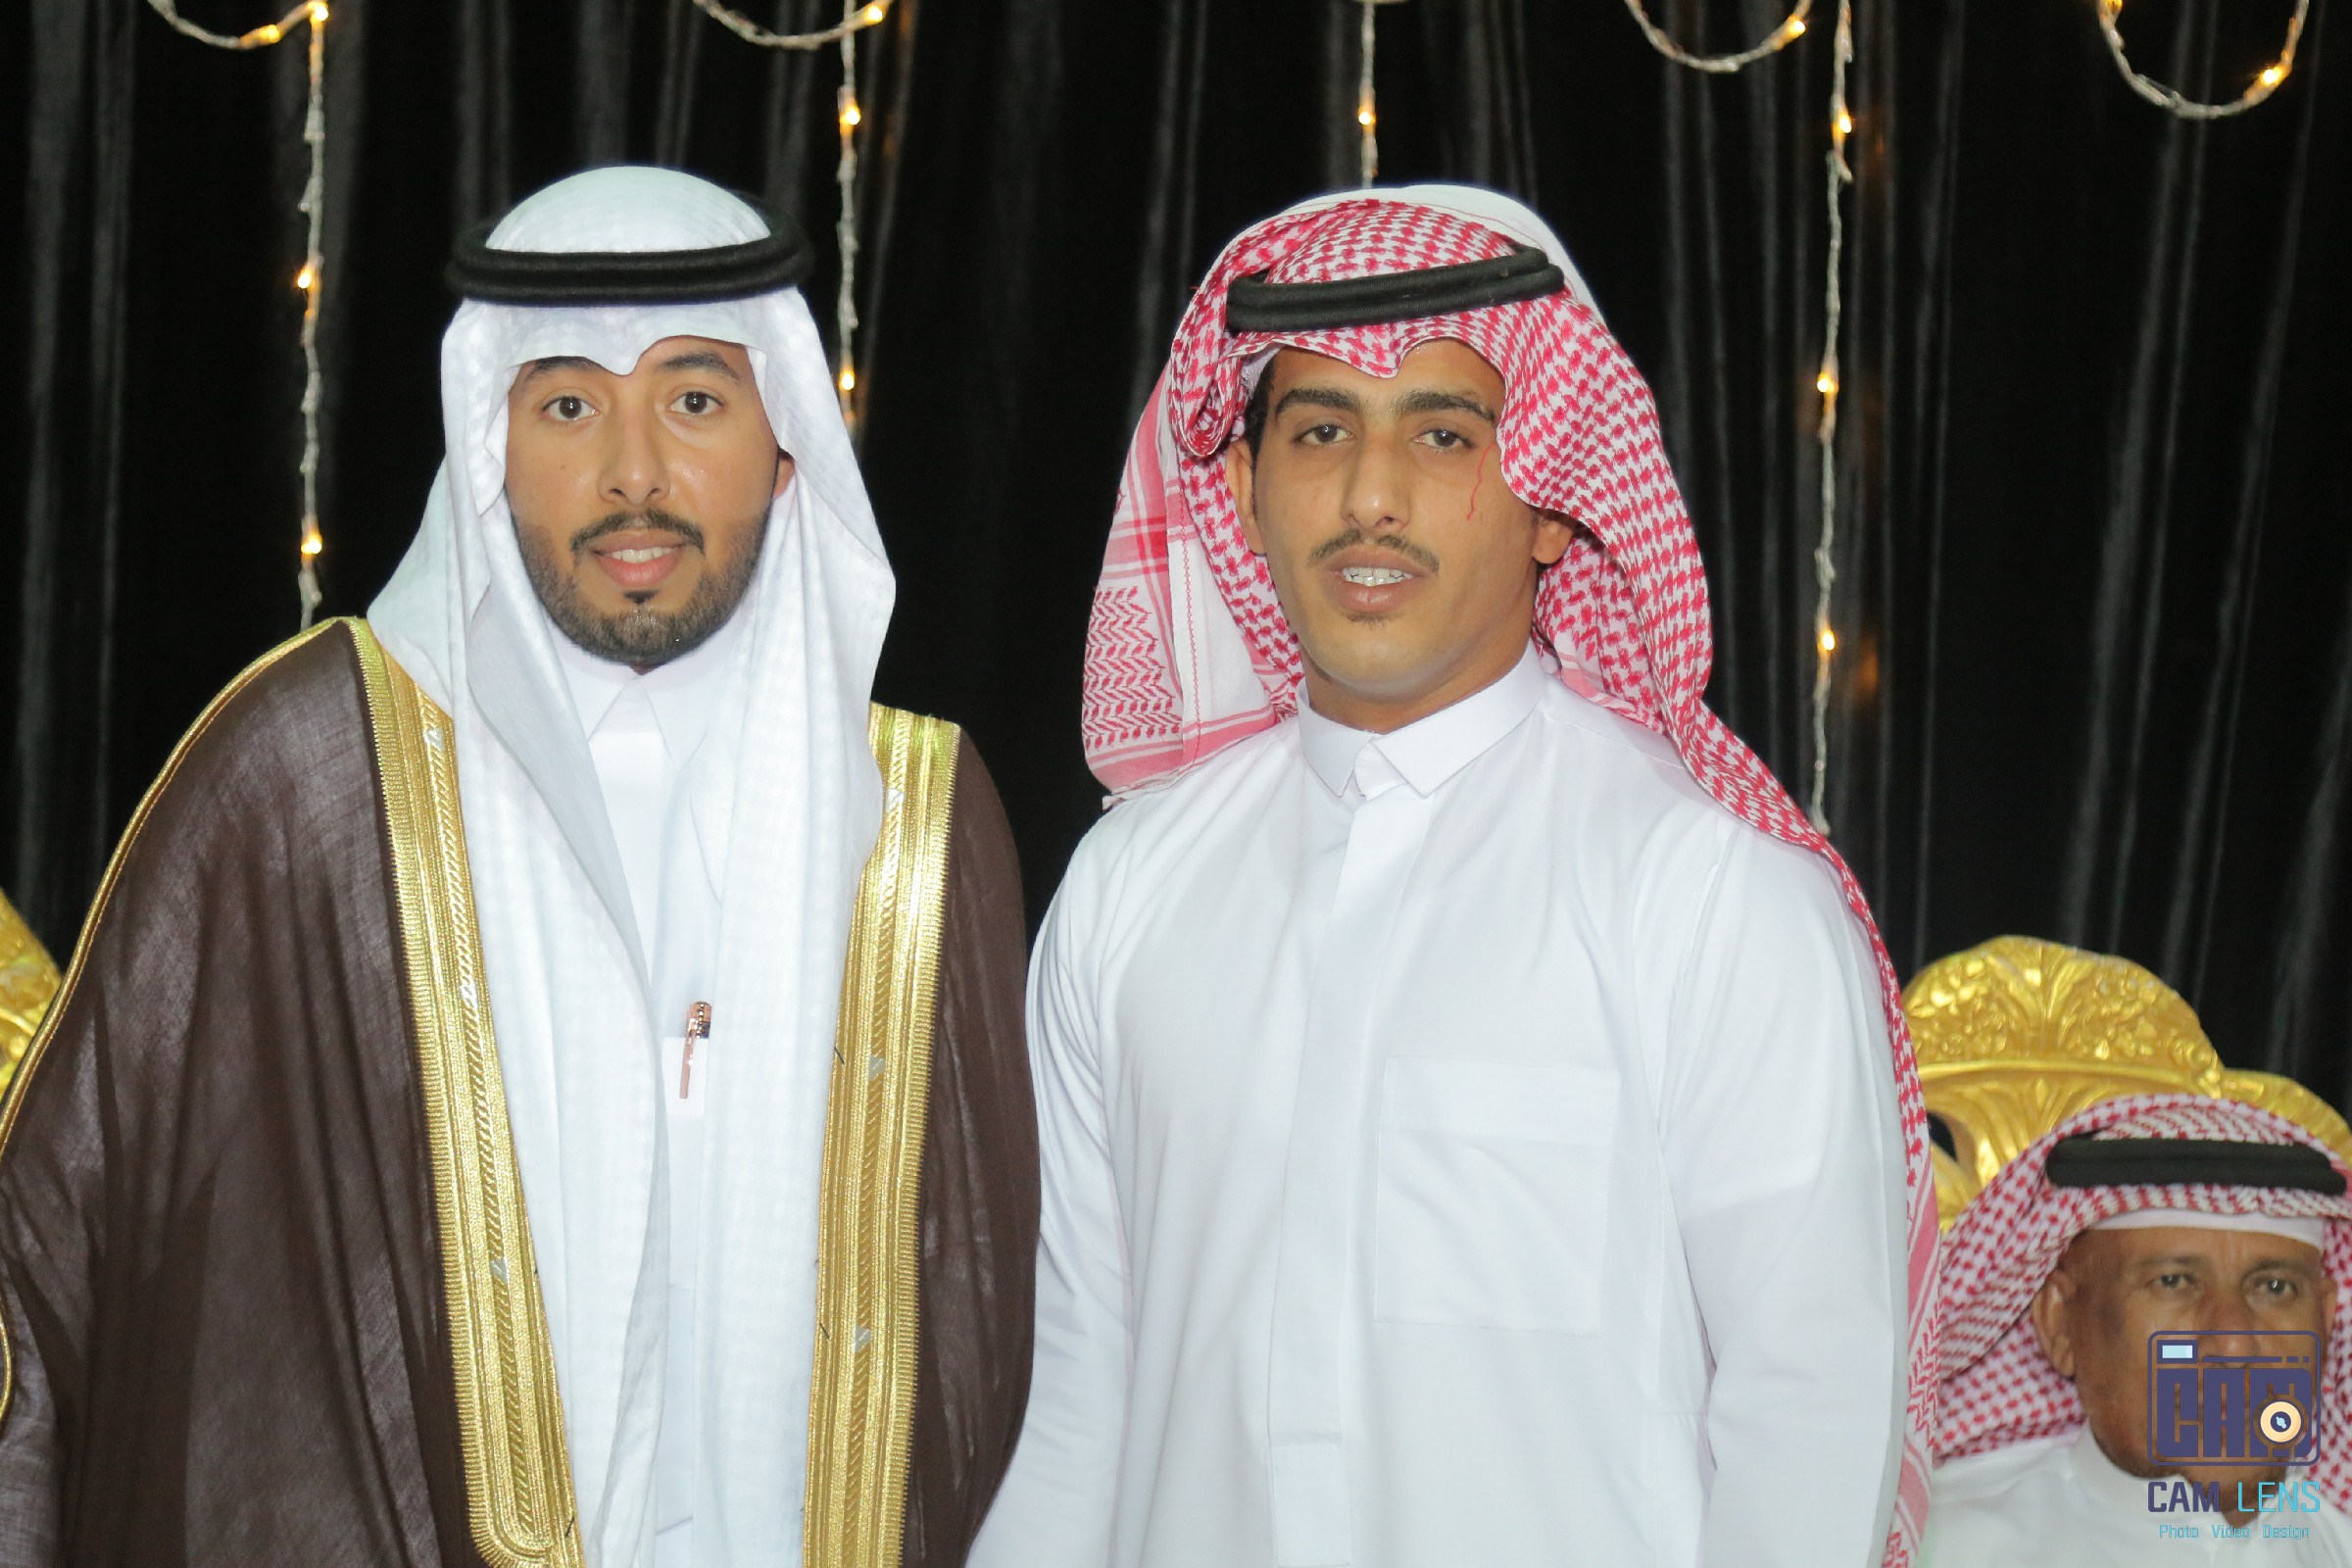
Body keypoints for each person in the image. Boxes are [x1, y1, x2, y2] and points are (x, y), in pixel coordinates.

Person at [0, 167, 1036, 1568]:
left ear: (785, 446)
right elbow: (67, 1243)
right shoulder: (308, 774)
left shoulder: (914, 821)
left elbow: (994, 1320)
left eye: (694, 399)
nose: (633, 473)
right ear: (487, 444)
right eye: (567, 407)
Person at [970, 186, 1936, 1568]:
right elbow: (1071, 1412)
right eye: (1319, 431)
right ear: (1240, 489)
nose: (1371, 496)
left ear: (1555, 497)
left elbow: (1810, 1429)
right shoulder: (1129, 892)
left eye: (1442, 434)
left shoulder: (1711, 898)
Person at [1928, 1094, 2352, 1565]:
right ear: (2059, 1322)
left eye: (2275, 1288)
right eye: (2173, 1282)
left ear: (2325, 1321)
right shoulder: (1939, 1548)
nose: (2233, 1344)